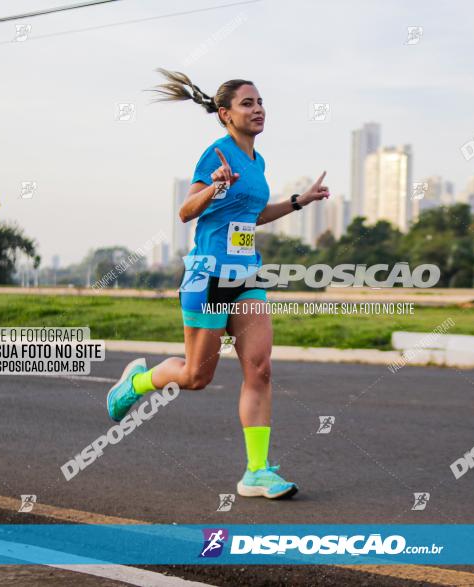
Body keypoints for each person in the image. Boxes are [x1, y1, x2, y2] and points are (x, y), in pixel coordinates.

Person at [106, 69, 330, 500]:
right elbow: (186, 212)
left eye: (261, 101)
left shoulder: (257, 162)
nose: (258, 109)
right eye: (248, 103)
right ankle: (135, 383)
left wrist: (300, 200)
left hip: (246, 277)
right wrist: (214, 187)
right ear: (225, 115)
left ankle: (257, 472)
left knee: (260, 368)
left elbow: (254, 217)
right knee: (195, 376)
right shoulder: (216, 154)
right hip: (208, 277)